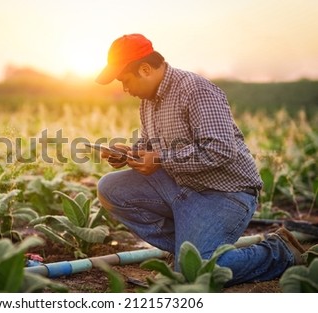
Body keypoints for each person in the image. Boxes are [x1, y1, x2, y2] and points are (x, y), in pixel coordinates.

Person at [95, 33, 305, 285]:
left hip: (223, 193)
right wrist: (128, 153)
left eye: (124, 80)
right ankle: (189, 251)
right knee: (110, 188)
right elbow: (151, 147)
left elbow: (220, 149)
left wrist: (159, 159)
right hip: (182, 187)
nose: (125, 89)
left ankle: (280, 253)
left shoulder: (195, 90)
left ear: (145, 69)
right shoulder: (147, 103)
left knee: (197, 274)